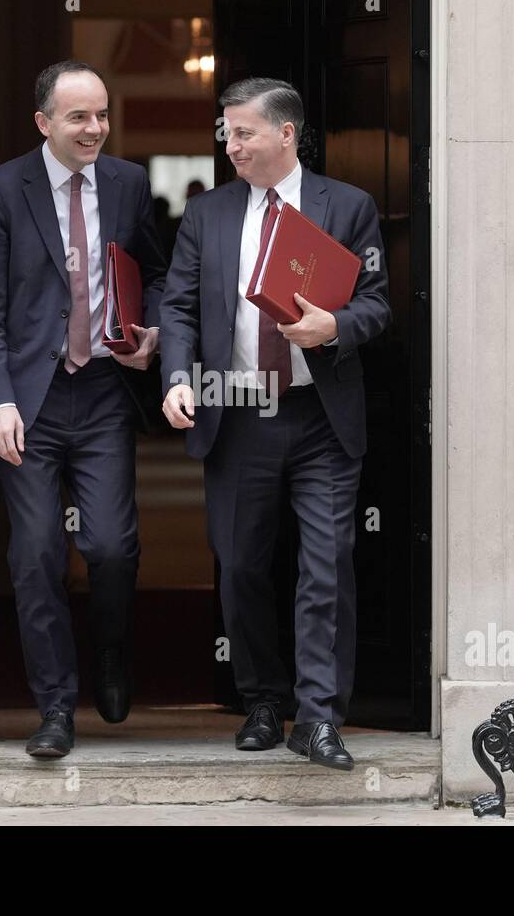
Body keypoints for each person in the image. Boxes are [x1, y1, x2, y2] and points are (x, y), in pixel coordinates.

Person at [159, 77, 390, 770]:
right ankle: (261, 700)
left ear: (285, 134)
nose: (230, 145)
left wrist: (335, 325)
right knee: (241, 567)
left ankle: (319, 718)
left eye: (243, 133)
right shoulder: (208, 213)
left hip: (319, 415)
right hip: (236, 412)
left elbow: (377, 303)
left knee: (325, 568)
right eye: (225, 134)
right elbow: (177, 305)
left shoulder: (347, 206)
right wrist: (177, 376)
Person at [0, 60, 166, 758]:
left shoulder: (129, 184)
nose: (95, 129)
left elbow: (158, 272)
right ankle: (55, 706)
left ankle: (111, 653)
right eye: (79, 116)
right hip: (29, 401)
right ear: (44, 122)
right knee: (36, 555)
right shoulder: (2, 190)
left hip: (106, 390)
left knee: (111, 546)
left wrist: (154, 333)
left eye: (102, 115)